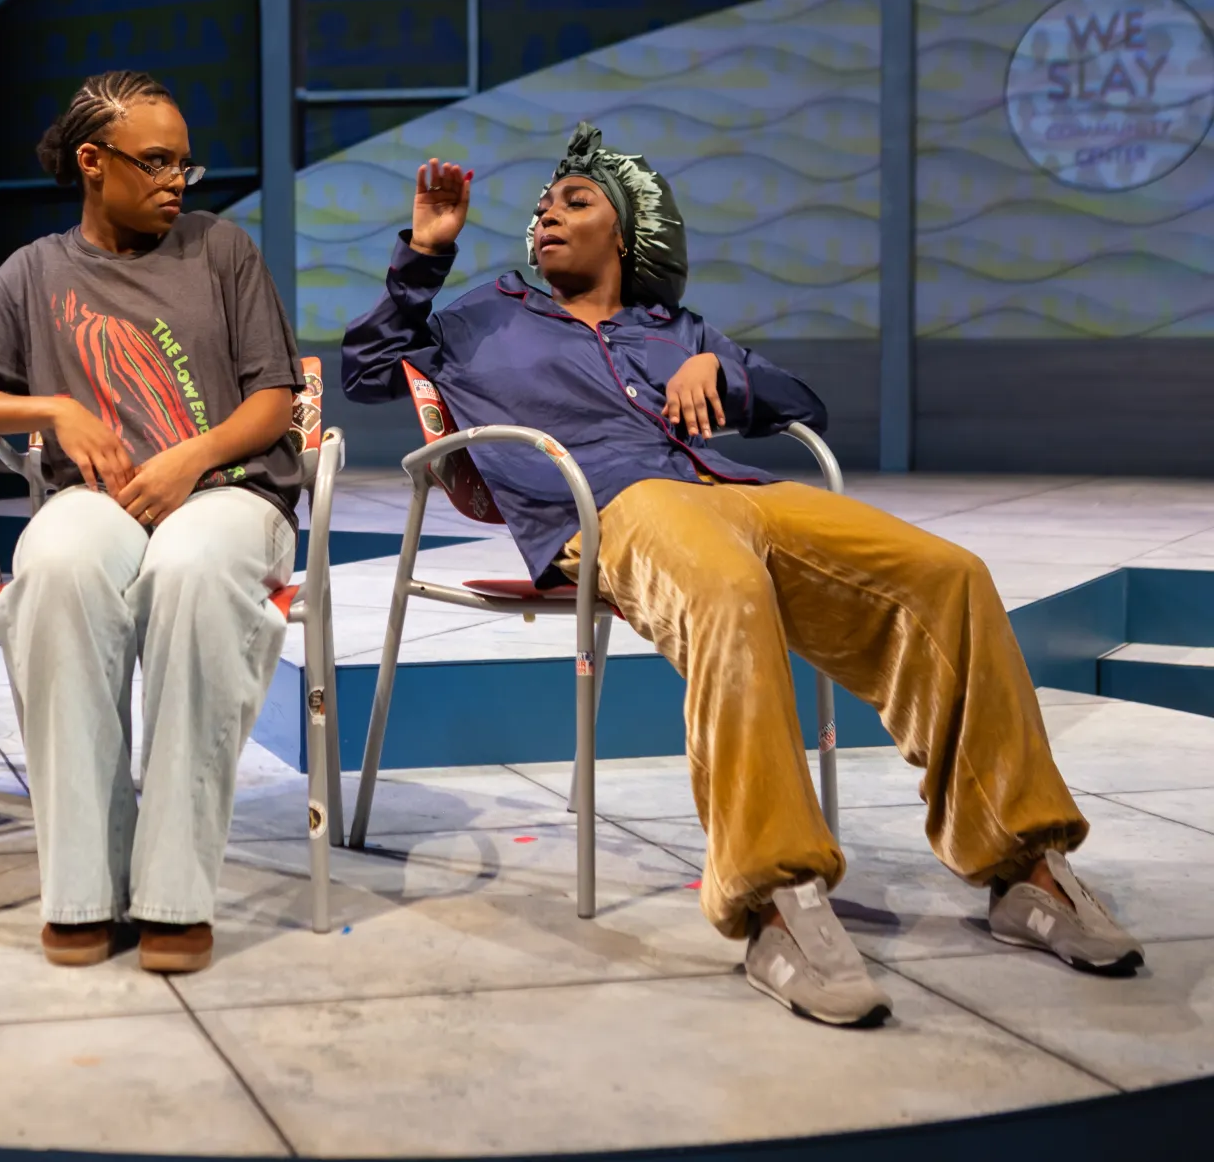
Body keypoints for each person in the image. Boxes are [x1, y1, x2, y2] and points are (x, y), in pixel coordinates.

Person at [341, 122, 1142, 1027]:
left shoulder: (672, 328)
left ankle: (1023, 867)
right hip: (607, 508)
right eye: (541, 205)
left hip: (731, 494)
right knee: (724, 586)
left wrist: (720, 365)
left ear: (629, 229)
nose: (546, 213)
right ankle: (774, 899)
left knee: (947, 572)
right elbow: (368, 370)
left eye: (575, 200)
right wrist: (425, 254)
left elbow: (802, 403)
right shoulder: (485, 316)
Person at [0, 70, 305, 975]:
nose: (180, 180)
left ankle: (175, 890)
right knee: (54, 568)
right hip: (96, 503)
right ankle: (84, 887)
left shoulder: (220, 251)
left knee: (190, 569)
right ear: (93, 163)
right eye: (159, 161)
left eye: (186, 161)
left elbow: (276, 404)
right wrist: (52, 409)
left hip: (230, 494)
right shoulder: (35, 271)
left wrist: (192, 457)